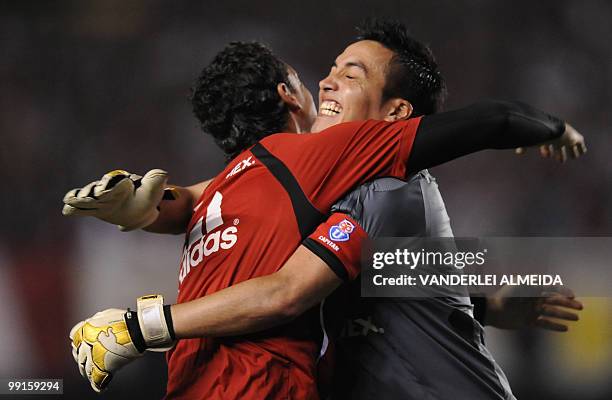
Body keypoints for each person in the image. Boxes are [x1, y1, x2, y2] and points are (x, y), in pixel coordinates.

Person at [65, 26, 585, 399]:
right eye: (330, 70)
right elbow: (383, 273)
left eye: (351, 75)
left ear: (395, 116)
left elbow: (290, 290)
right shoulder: (319, 190)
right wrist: (483, 302)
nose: (328, 83)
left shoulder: (385, 187)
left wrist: (142, 325)